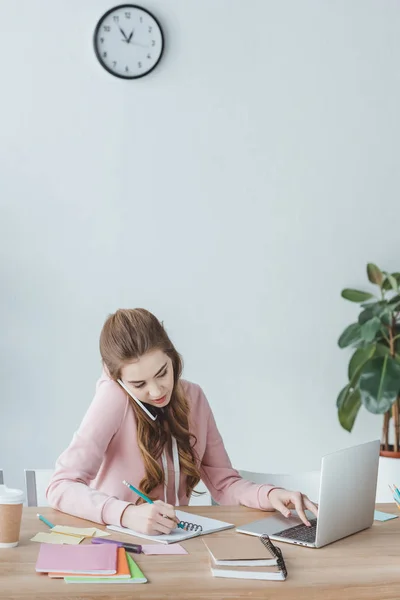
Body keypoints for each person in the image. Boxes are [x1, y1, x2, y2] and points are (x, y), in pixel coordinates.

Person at [47, 308, 318, 535]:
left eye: (163, 372)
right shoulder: (113, 399)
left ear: (172, 356)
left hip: (181, 542)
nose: (156, 391)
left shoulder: (193, 397)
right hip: (122, 543)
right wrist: (127, 514)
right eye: (139, 384)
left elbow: (223, 483)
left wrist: (270, 495)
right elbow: (60, 486)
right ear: (118, 380)